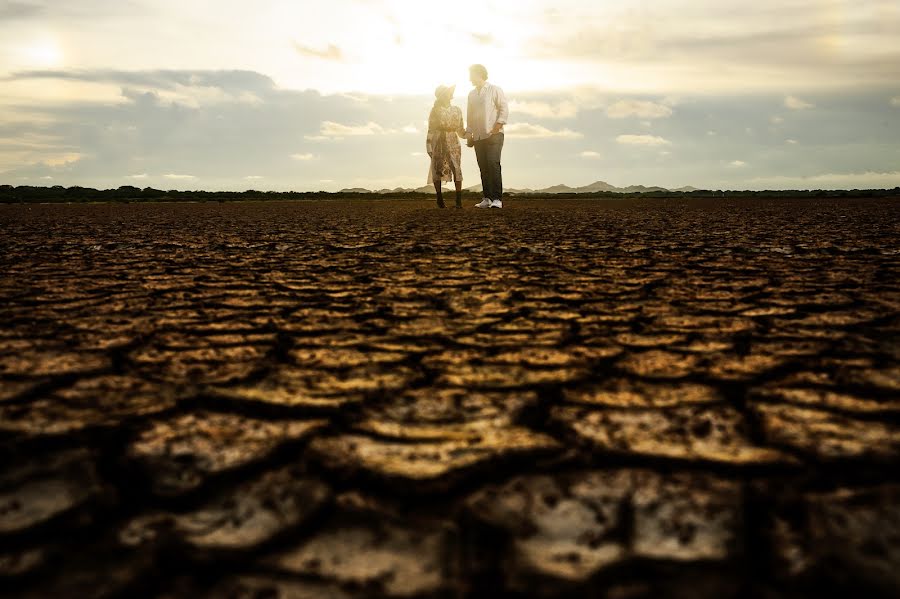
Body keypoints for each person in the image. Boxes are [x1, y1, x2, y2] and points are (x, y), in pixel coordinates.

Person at [465, 64, 508, 208]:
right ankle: (487, 198)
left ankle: (497, 199)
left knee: (493, 164)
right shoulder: (471, 94)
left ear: (479, 74)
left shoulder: (494, 89)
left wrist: (499, 124)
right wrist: (469, 133)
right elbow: (470, 115)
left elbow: (503, 107)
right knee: (483, 167)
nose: (469, 78)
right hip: (478, 136)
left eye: (471, 74)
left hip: (493, 134)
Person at [426, 84, 466, 209]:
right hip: (439, 140)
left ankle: (458, 201)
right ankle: (439, 199)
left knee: (456, 168)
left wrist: (469, 136)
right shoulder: (435, 110)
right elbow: (431, 129)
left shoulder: (457, 110)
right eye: (446, 92)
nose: (449, 94)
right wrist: (428, 145)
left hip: (453, 140)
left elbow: (460, 129)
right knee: (437, 168)